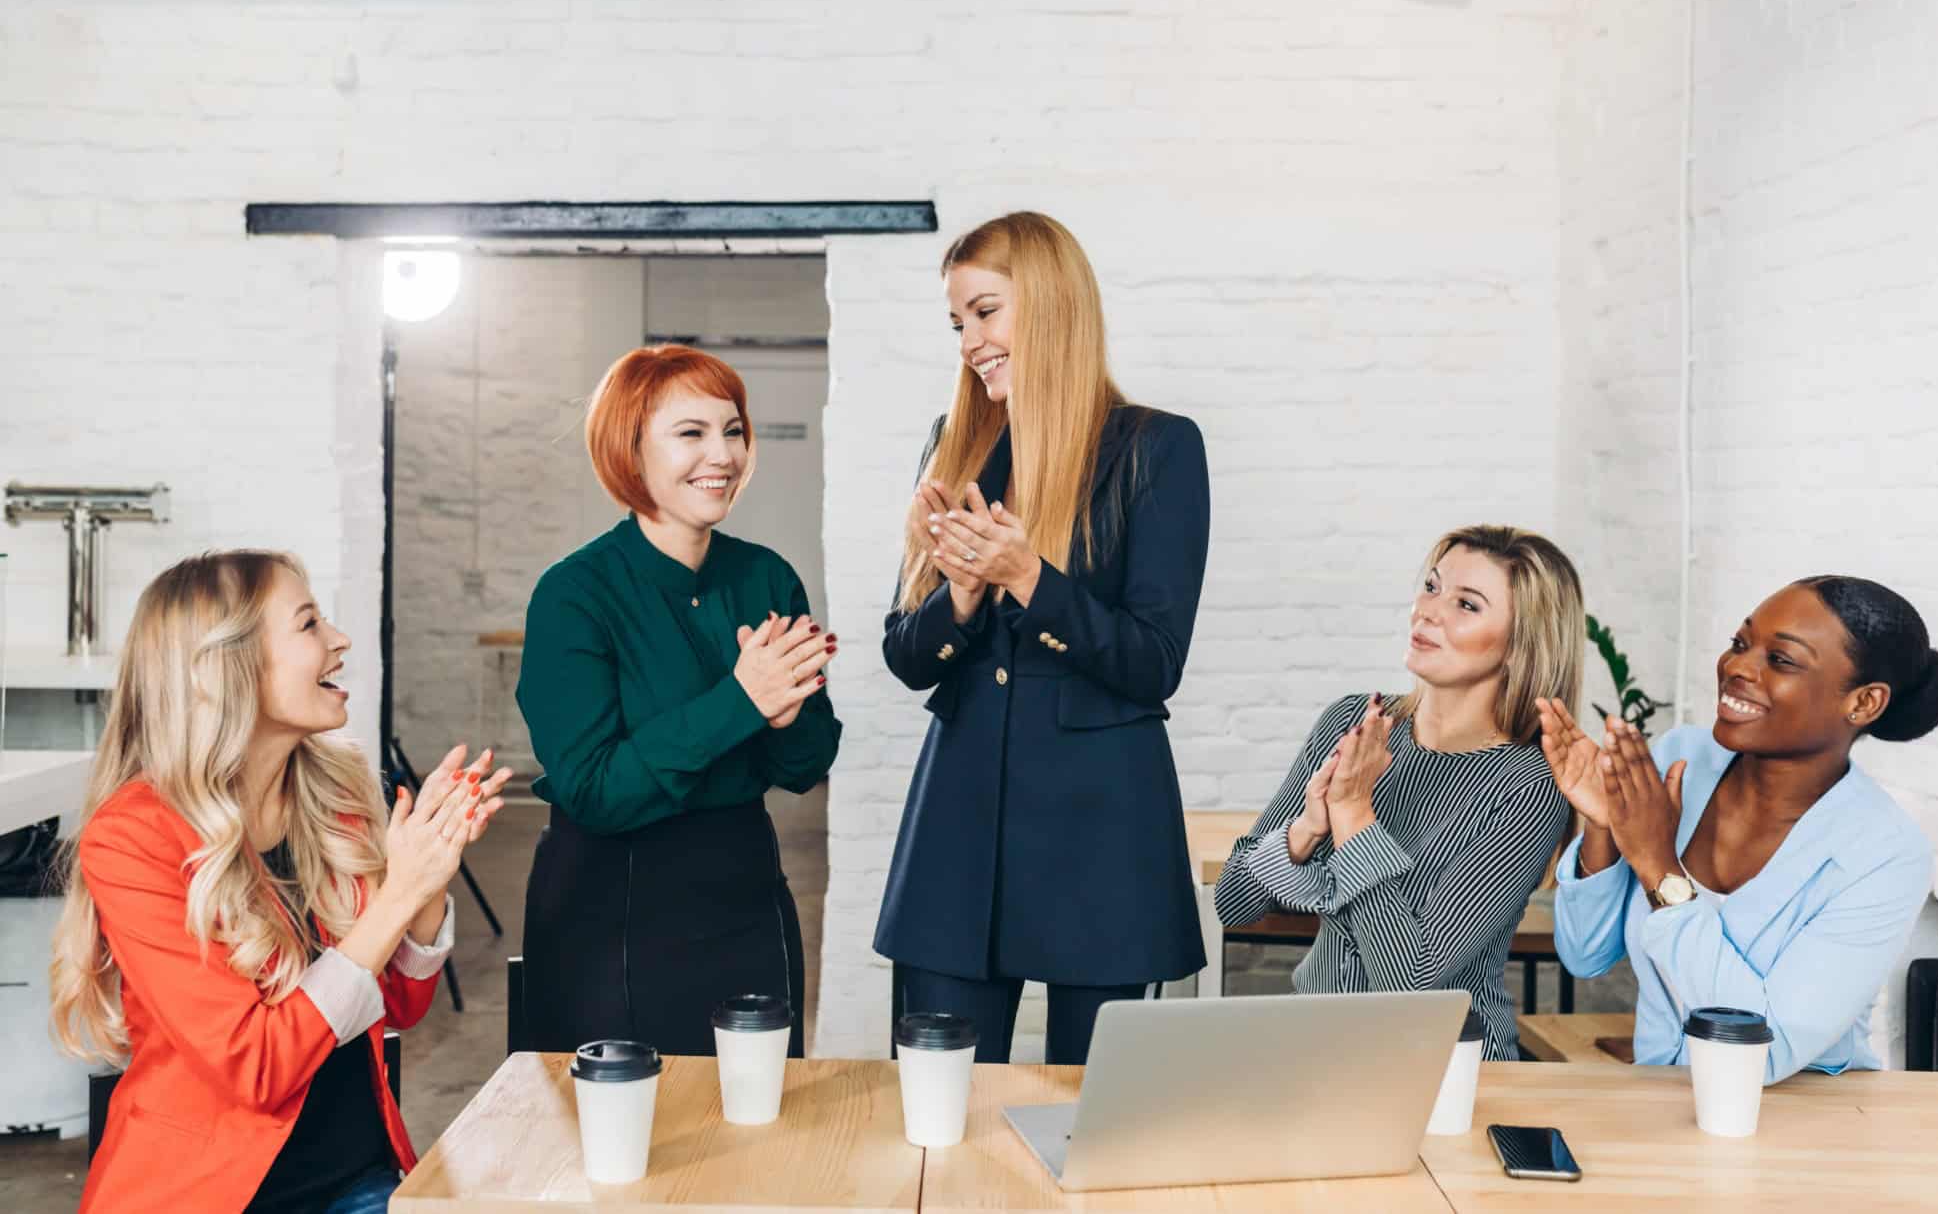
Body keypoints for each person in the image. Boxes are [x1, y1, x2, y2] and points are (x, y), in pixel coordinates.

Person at [50, 550, 507, 1214]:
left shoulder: (334, 795)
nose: (340, 639)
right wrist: (400, 892)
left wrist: (429, 873)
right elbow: (255, 1066)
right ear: (226, 667)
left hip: (356, 1182)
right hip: (202, 1195)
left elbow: (400, 1004)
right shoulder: (133, 837)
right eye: (309, 624)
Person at [874, 210, 1210, 1065]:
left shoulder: (1158, 449)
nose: (969, 341)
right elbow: (907, 656)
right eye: (957, 322)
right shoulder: (954, 448)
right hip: (957, 835)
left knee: (1089, 1116)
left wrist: (1028, 577)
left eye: (984, 312)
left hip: (1103, 835)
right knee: (937, 1107)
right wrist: (959, 593)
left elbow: (1154, 663)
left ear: (1052, 304)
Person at [516, 344, 840, 1058]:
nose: (721, 454)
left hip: (747, 891)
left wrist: (786, 717)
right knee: (625, 1144)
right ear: (629, 450)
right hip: (612, 907)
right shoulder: (574, 595)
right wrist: (742, 701)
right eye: (690, 433)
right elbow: (594, 790)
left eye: (733, 430)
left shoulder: (767, 577)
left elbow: (806, 762)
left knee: (755, 1122)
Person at [1544, 575, 1938, 1082]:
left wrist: (1658, 867)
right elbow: (1584, 954)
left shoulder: (1886, 853)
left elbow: (1765, 1049)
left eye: (1780, 659)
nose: (1737, 667)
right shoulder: (1679, 761)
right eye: (1740, 643)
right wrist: (1606, 827)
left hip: (1804, 1120)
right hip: (1660, 1102)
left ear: (1863, 703)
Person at [1214, 525, 1584, 1060]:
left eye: (1467, 605)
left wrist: (1353, 814)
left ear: (1520, 645)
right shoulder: (1353, 721)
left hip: (1442, 1068)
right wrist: (1308, 829)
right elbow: (1234, 903)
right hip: (1314, 1051)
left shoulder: (1528, 785)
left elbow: (1408, 980)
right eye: (1432, 587)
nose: (1429, 611)